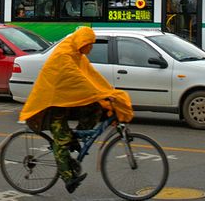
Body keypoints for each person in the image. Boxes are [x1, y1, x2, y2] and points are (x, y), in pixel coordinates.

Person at [19, 27, 133, 194]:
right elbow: (78, 80)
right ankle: (68, 179)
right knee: (62, 140)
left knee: (94, 108)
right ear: (82, 42)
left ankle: (76, 137)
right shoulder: (64, 55)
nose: (91, 48)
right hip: (50, 105)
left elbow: (92, 76)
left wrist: (106, 92)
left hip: (65, 101)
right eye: (89, 44)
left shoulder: (78, 55)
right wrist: (99, 93)